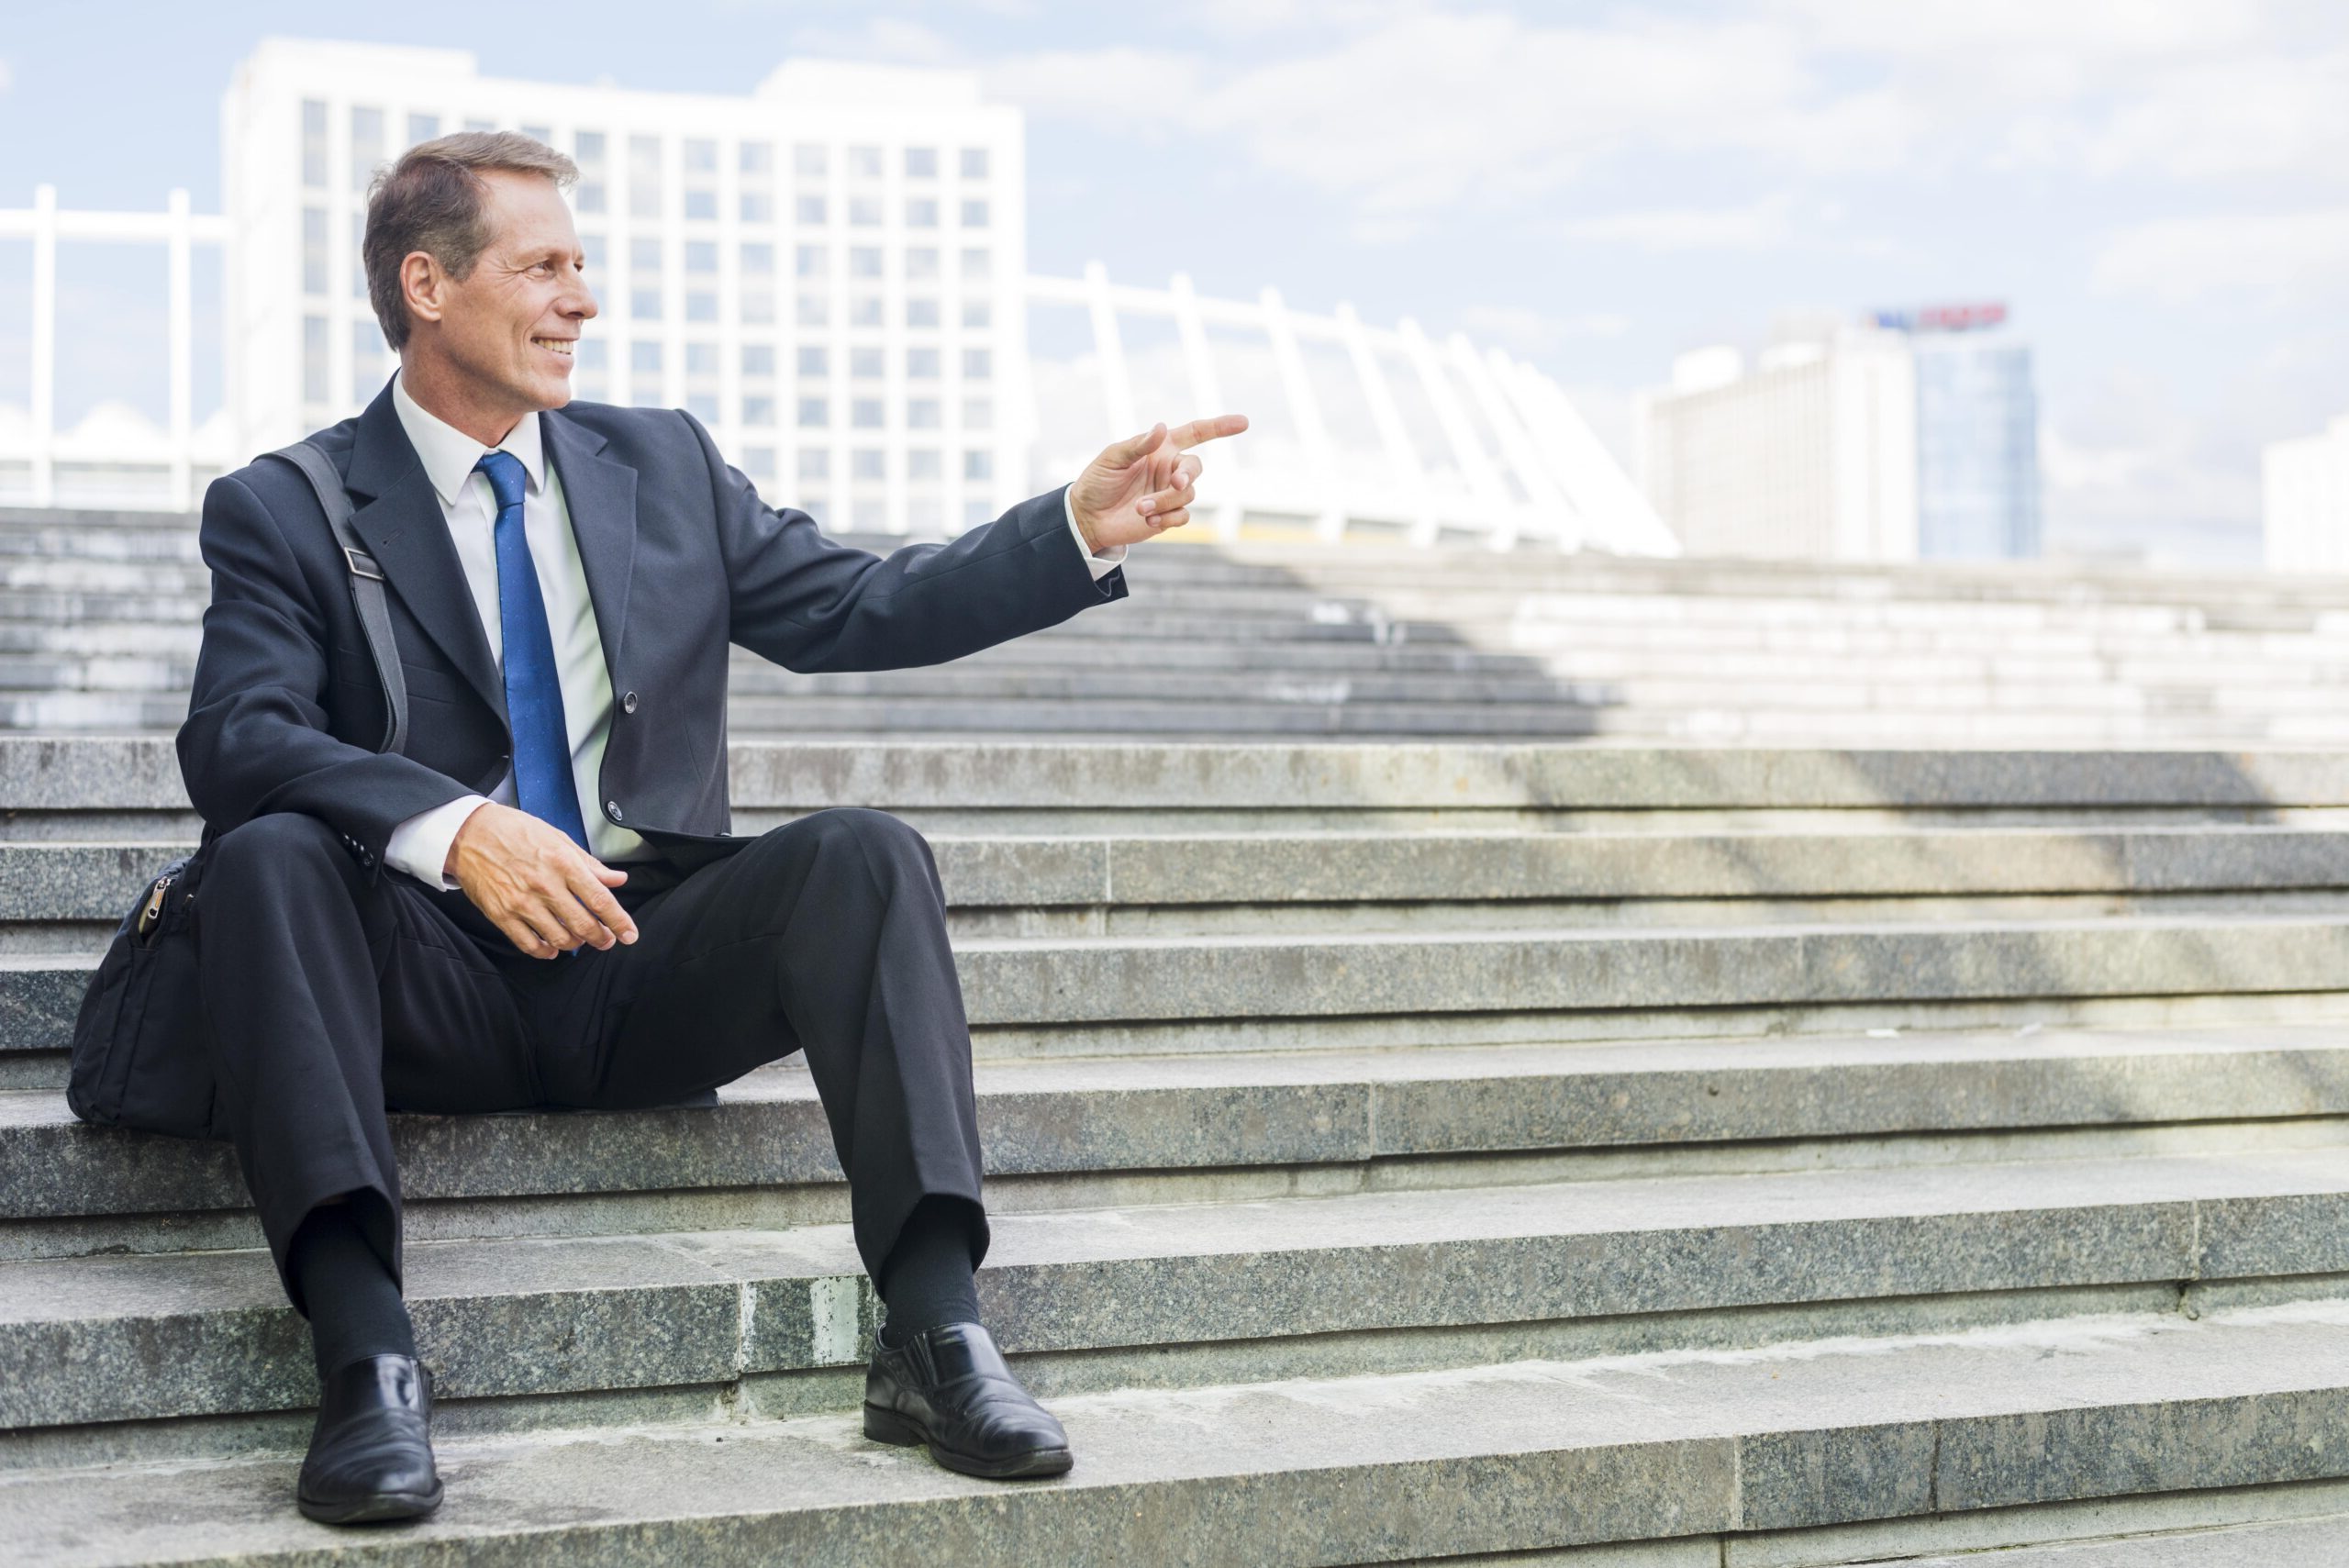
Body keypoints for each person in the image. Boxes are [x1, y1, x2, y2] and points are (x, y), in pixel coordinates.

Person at [174, 130, 1245, 1525]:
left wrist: (1071, 526)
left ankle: (935, 1334)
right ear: (428, 285)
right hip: (419, 983)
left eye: (583, 265)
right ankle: (365, 1359)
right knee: (266, 850)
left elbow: (859, 604)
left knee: (867, 854)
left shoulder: (659, 463)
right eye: (543, 266)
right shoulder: (288, 504)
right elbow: (237, 738)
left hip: (637, 959)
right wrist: (455, 831)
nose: (581, 300)